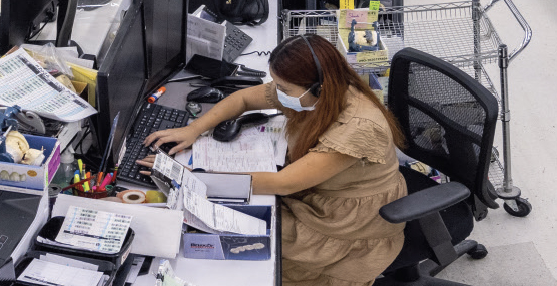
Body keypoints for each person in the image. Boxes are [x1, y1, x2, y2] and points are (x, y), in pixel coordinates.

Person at [141, 34, 407, 286]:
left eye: (283, 88)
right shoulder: (312, 94)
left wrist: (188, 177)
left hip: (343, 224)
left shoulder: (358, 126)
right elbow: (245, 98)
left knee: (240, 254)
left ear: (318, 87)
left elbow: (283, 183)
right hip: (313, 196)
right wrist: (193, 129)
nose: (276, 93)